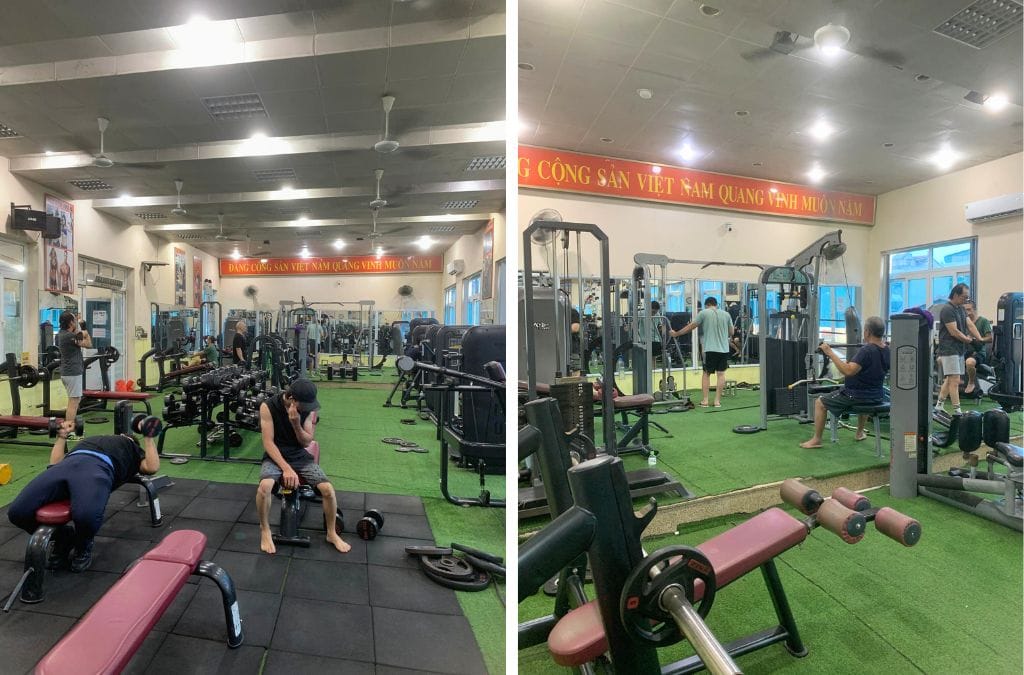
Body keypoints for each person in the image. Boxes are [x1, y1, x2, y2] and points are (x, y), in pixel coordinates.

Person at [7, 421, 160, 572]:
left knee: (86, 515)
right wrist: (61, 437)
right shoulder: (89, 440)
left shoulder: (131, 446)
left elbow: (151, 467)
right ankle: (63, 538)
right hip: (67, 465)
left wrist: (148, 436)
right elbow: (55, 463)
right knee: (17, 512)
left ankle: (83, 544)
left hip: (98, 466)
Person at [255, 378, 350, 555]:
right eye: (304, 404)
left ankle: (331, 533)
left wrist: (296, 424)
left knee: (328, 489)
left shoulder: (306, 410)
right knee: (265, 487)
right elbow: (268, 443)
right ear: (291, 398)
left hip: (299, 454)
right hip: (275, 454)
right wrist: (286, 468)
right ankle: (265, 529)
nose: (307, 408)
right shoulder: (268, 406)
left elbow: (307, 441)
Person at [800, 316, 890, 449]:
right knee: (865, 394)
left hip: (855, 396)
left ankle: (816, 439)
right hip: (876, 395)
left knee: (820, 402)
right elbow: (868, 369)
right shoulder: (887, 349)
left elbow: (848, 371)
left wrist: (829, 352)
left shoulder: (866, 350)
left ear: (867, 332)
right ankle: (859, 433)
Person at [669, 296, 735, 407]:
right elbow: (731, 332)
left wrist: (676, 334)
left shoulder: (704, 313)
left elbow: (691, 326)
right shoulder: (726, 314)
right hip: (724, 349)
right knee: (721, 374)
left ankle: (705, 401)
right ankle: (717, 401)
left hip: (710, 349)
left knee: (706, 373)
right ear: (716, 304)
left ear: (707, 305)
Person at [934, 284, 982, 416]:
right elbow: (954, 331)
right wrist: (970, 341)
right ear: (955, 295)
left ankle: (939, 405)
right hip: (949, 349)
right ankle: (957, 411)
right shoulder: (947, 309)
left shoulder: (960, 308)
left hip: (959, 349)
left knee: (950, 379)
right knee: (954, 380)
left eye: (967, 298)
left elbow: (970, 324)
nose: (965, 300)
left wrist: (980, 339)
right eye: (964, 297)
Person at [57, 311, 91, 438]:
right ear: (71, 322)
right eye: (74, 320)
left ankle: (69, 428)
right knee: (74, 402)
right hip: (72, 373)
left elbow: (87, 342)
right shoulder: (68, 336)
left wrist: (79, 325)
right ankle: (69, 431)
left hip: (69, 373)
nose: (76, 321)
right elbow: (87, 339)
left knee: (74, 401)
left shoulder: (64, 334)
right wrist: (84, 328)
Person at [963, 300, 993, 395]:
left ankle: (971, 382)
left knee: (969, 362)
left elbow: (990, 338)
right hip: (965, 351)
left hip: (978, 352)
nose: (967, 312)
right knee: (941, 360)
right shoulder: (963, 322)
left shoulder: (983, 321)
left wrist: (977, 340)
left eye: (969, 310)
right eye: (965, 310)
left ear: (974, 310)